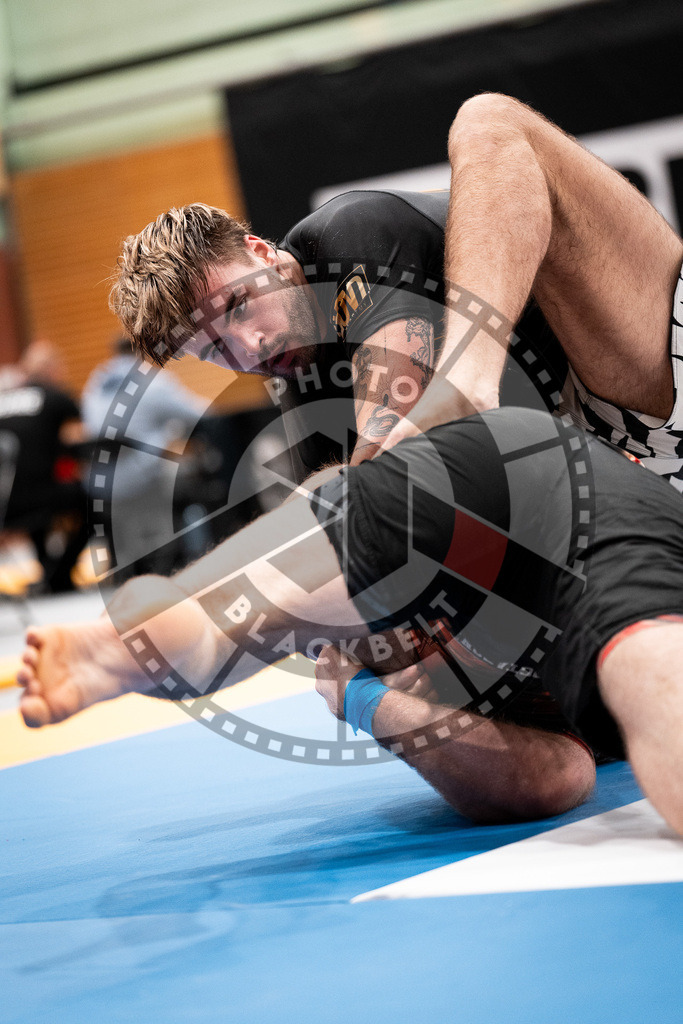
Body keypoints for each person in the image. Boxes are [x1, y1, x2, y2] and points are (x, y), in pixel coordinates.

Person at [16, 406, 683, 835]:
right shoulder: (478, 693)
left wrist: (364, 694)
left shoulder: (482, 632)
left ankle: (200, 624)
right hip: (426, 493)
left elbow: (556, 780)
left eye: (399, 652)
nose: (415, 668)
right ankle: (189, 629)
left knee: (635, 657)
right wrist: (368, 701)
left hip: (563, 502)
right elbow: (554, 780)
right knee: (283, 587)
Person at [109, 93, 683, 489]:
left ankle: (466, 380)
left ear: (261, 251)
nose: (250, 346)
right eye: (215, 350)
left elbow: (387, 434)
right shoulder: (299, 383)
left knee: (488, 121)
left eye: (238, 305)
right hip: (634, 466)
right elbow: (341, 512)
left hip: (653, 363)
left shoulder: (347, 231)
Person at [81, 337, 205, 578]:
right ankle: (190, 557)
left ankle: (130, 561)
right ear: (142, 351)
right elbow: (200, 413)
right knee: (200, 479)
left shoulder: (94, 385)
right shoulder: (151, 382)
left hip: (102, 487)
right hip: (146, 482)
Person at [0, 341, 89, 593]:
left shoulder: (3, 399)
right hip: (42, 496)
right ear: (52, 370)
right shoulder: (56, 398)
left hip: (5, 505)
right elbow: (80, 438)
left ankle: (48, 573)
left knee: (34, 503)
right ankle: (59, 574)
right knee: (94, 503)